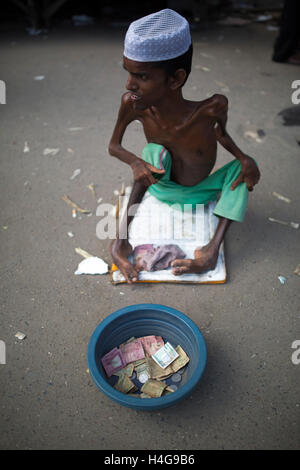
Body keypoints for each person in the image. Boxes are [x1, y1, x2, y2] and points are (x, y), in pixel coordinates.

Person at [108, 8, 260, 284]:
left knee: (242, 168)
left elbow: (223, 136)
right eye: (128, 73)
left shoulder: (212, 108)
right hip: (162, 188)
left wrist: (245, 158)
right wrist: (135, 162)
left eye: (142, 76)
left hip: (202, 192)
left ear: (176, 79)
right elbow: (114, 145)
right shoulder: (133, 104)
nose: (130, 84)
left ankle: (210, 253)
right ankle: (119, 242)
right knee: (153, 153)